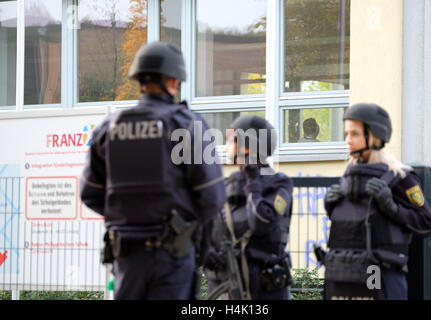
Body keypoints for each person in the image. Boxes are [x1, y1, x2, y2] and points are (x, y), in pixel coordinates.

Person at [79, 41, 226, 300]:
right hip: (172, 259)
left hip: (126, 259)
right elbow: (212, 196)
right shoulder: (186, 125)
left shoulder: (109, 128)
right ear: (172, 80)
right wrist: (185, 228)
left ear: (139, 80)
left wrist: (129, 217)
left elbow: (90, 193)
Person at [322, 103, 431, 300]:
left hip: (377, 275)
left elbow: (427, 223)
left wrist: (392, 208)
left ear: (375, 135)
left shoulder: (400, 177)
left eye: (355, 134)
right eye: (346, 133)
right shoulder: (348, 176)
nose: (348, 140)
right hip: (342, 277)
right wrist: (331, 207)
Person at [205, 115, 294, 300]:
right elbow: (209, 229)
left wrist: (253, 182)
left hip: (265, 292)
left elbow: (261, 222)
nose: (226, 147)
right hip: (225, 289)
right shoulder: (226, 185)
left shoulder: (280, 184)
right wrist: (207, 252)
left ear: (247, 147)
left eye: (231, 140)